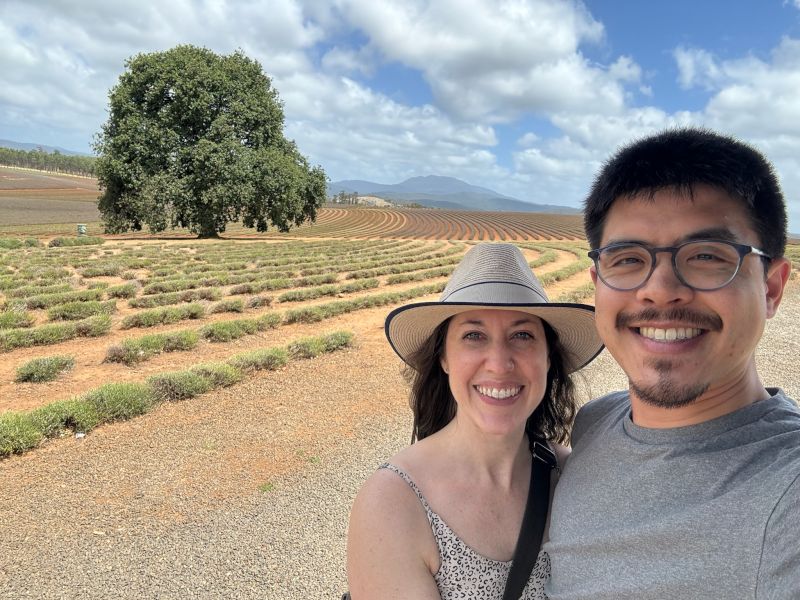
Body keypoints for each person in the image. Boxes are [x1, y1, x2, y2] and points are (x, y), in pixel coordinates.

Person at [544, 127, 800, 599]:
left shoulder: (788, 493)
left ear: (771, 287)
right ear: (596, 281)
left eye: (706, 256)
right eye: (627, 258)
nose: (659, 289)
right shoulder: (597, 422)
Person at [346, 243, 603, 599]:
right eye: (474, 335)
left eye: (522, 335)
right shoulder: (393, 503)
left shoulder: (575, 479)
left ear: (547, 359)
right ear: (444, 358)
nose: (499, 363)